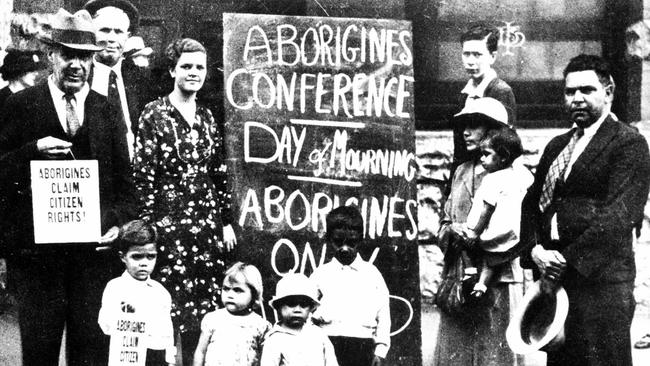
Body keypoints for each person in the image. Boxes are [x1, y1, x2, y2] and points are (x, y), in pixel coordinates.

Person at [0, 8, 135, 366]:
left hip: (92, 261)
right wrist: (32, 151)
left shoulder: (104, 109)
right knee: (39, 353)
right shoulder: (19, 105)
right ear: (50, 56)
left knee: (90, 353)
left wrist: (118, 224)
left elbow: (125, 182)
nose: (77, 65)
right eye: (68, 55)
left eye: (84, 57)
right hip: (38, 263)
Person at [520, 54, 650, 366]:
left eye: (587, 90)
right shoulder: (557, 146)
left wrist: (565, 261)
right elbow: (531, 204)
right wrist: (535, 249)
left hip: (602, 286)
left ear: (609, 92)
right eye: (569, 92)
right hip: (556, 283)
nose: (577, 99)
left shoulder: (628, 144)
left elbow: (619, 216)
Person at [132, 37, 237, 366]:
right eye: (187, 66)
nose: (194, 73)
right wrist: (148, 226)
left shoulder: (206, 116)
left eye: (200, 67)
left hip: (204, 222)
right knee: (165, 305)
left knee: (201, 305)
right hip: (168, 220)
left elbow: (217, 171)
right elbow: (144, 173)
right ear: (172, 70)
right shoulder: (155, 113)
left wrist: (226, 220)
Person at [435, 97, 524, 366]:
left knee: (495, 353)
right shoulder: (460, 171)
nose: (466, 132)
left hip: (498, 276)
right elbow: (444, 223)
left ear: (494, 131)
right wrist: (453, 231)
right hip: (459, 276)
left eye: (474, 125)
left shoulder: (514, 175)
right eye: (463, 125)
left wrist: (480, 239)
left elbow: (518, 230)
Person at [310, 206, 390, 366]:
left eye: (351, 242)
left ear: (360, 239)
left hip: (362, 347)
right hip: (327, 344)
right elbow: (306, 310)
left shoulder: (372, 274)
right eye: (338, 242)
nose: (345, 248)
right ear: (329, 239)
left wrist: (380, 351)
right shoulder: (320, 274)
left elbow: (383, 316)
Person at [459, 127, 532, 298]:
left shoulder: (492, 179)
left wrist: (475, 232)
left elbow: (487, 209)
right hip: (513, 231)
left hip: (494, 227)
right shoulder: (521, 174)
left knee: (465, 238)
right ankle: (481, 286)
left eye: (486, 154)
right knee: (495, 258)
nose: (482, 159)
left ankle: (470, 272)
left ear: (504, 157)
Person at [98, 220, 176, 366]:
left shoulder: (160, 292)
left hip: (154, 356)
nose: (144, 263)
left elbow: (166, 331)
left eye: (150, 256)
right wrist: (128, 319)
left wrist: (170, 359)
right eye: (137, 256)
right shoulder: (115, 288)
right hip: (126, 353)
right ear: (123, 257)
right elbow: (105, 324)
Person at [83, 0, 150, 159]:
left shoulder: (140, 79)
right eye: (105, 30)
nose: (112, 39)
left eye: (118, 32)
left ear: (127, 37)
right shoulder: (79, 77)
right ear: (91, 34)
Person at [451, 24, 516, 176]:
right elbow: (459, 150)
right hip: (466, 176)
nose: (470, 61)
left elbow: (505, 147)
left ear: (492, 56)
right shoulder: (465, 94)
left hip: (492, 175)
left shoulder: (500, 91)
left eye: (477, 54)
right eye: (466, 54)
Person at [193, 262, 271, 366]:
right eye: (225, 289)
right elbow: (200, 352)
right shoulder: (213, 319)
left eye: (237, 290)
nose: (230, 295)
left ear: (253, 294)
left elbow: (267, 360)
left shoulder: (260, 325)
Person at [261, 273, 339, 366]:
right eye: (291, 303)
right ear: (279, 307)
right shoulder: (274, 339)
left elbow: (331, 362)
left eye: (303, 304)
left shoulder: (318, 335)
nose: (297, 310)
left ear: (311, 308)